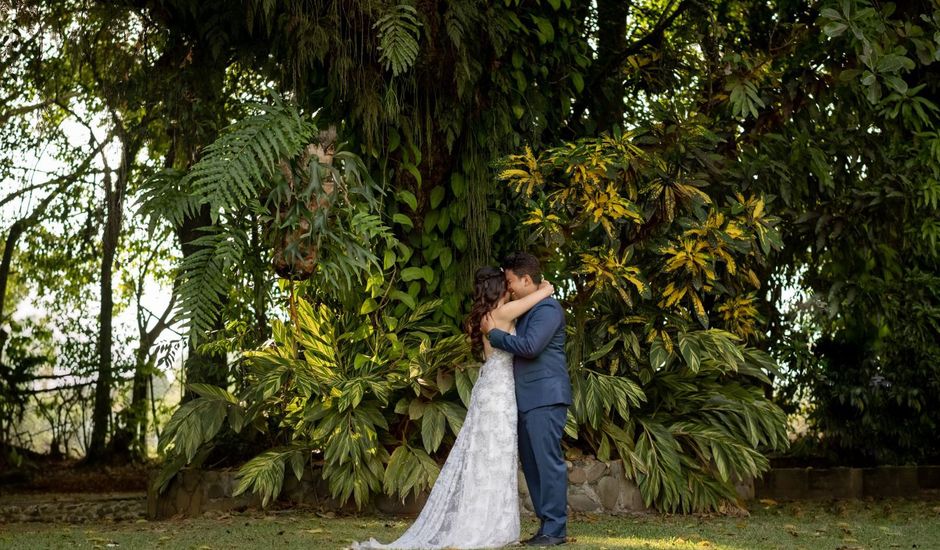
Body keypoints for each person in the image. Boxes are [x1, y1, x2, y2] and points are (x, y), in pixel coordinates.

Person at [351, 265, 555, 549]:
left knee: (486, 458)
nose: (511, 289)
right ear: (500, 290)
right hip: (500, 393)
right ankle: (488, 525)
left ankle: (488, 521)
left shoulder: (485, 317)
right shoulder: (503, 313)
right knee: (495, 456)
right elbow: (535, 300)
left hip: (489, 389)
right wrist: (546, 289)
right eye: (507, 285)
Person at [482, 252, 571, 547]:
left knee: (547, 463)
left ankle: (555, 529)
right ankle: (546, 526)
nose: (509, 288)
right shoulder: (529, 307)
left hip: (545, 396)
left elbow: (531, 346)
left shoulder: (547, 309)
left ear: (526, 279)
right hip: (526, 398)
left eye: (511, 282)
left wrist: (495, 336)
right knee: (533, 466)